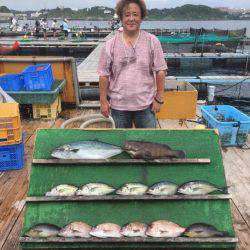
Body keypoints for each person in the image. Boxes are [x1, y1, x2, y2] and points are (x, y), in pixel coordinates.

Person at [97, 0, 167, 128]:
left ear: (141, 17)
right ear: (121, 17)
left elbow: (160, 70)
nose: (131, 18)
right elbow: (103, 75)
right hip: (118, 107)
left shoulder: (152, 41)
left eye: (135, 14)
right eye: (127, 14)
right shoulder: (110, 45)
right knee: (121, 143)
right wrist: (103, 101)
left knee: (148, 143)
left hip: (146, 106)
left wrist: (159, 98)